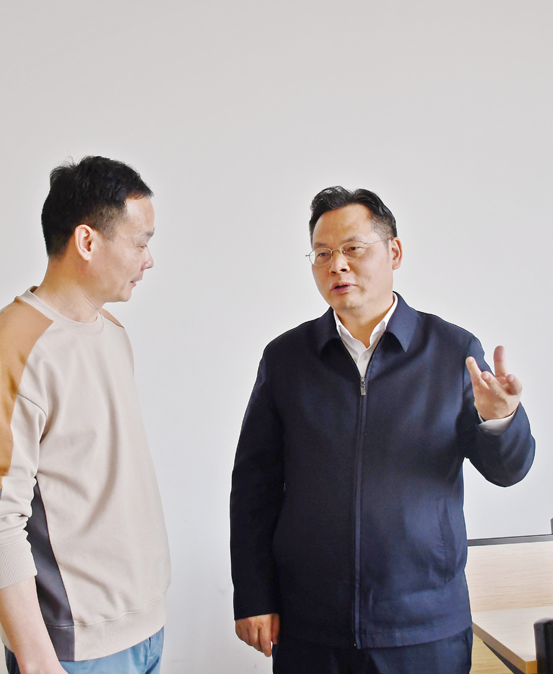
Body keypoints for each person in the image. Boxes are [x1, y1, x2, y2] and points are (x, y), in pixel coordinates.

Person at [229, 186, 536, 674]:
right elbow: (254, 487)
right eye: (323, 254)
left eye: (353, 248)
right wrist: (253, 594)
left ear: (393, 252)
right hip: (309, 626)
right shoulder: (286, 358)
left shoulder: (452, 350)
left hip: (424, 626)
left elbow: (508, 471)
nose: (338, 265)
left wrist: (500, 419)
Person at [0, 156, 170, 674]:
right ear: (87, 241)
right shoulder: (7, 351)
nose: (149, 260)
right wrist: (36, 658)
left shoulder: (112, 332)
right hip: (73, 650)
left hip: (146, 629)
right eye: (140, 243)